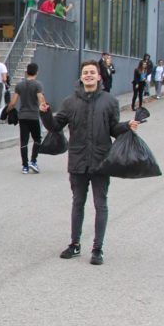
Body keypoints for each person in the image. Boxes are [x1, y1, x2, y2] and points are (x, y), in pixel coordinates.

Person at [40, 61, 139, 266]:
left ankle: (97, 249)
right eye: (85, 73)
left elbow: (112, 128)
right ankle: (75, 244)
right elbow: (56, 126)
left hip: (102, 160)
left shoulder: (110, 101)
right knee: (78, 202)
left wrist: (126, 126)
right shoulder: (69, 102)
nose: (89, 75)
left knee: (100, 204)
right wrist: (45, 113)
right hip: (78, 160)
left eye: (92, 72)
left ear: (99, 76)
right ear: (81, 77)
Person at [5, 62, 47, 173]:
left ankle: (25, 166)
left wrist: (7, 111)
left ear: (26, 72)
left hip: (22, 116)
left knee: (24, 141)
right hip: (33, 116)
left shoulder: (20, 85)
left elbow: (13, 102)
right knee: (37, 139)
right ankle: (33, 161)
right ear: (37, 72)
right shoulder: (38, 85)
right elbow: (40, 98)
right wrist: (44, 107)